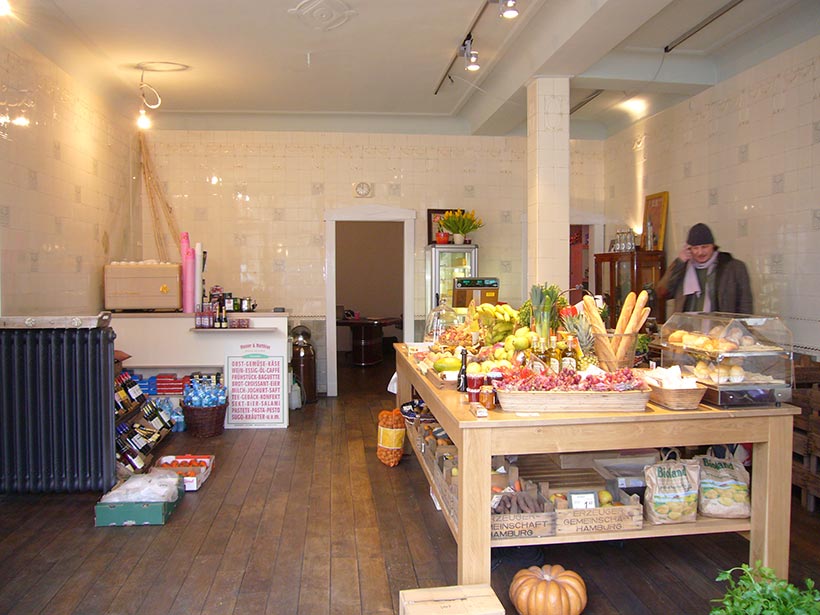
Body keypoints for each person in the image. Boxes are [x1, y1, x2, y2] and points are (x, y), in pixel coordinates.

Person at [656, 222, 753, 314]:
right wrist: (679, 262)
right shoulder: (683, 267)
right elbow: (662, 292)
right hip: (686, 325)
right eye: (695, 248)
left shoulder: (733, 267)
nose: (700, 252)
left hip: (720, 324)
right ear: (689, 249)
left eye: (704, 247)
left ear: (713, 246)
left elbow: (745, 305)